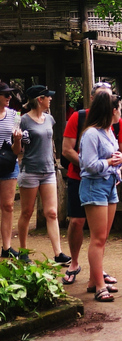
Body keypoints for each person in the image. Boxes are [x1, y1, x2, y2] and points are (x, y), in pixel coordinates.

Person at [61, 82, 122, 286]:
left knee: (100, 235)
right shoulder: (79, 119)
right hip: (81, 178)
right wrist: (96, 165)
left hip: (106, 181)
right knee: (77, 222)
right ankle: (74, 263)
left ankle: (95, 275)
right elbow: (67, 150)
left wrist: (114, 166)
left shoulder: (113, 126)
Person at [78, 90, 122, 302]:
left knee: (103, 237)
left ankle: (92, 280)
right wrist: (110, 162)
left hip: (110, 184)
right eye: (119, 110)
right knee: (97, 239)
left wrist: (119, 158)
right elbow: (89, 164)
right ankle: (99, 286)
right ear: (111, 110)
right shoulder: (91, 134)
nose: (121, 114)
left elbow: (117, 156)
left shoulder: (109, 131)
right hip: (94, 185)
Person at [17, 85, 71, 265]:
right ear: (40, 99)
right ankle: (23, 251)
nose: (51, 99)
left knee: (52, 213)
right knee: (26, 212)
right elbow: (18, 148)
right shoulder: (23, 120)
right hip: (30, 170)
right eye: (48, 97)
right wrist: (20, 141)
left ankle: (58, 253)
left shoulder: (50, 119)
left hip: (48, 170)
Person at [0, 82, 22, 258]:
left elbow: (17, 149)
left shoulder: (15, 115)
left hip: (9, 164)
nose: (9, 98)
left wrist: (18, 140)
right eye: (5, 94)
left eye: (10, 95)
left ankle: (6, 247)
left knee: (8, 206)